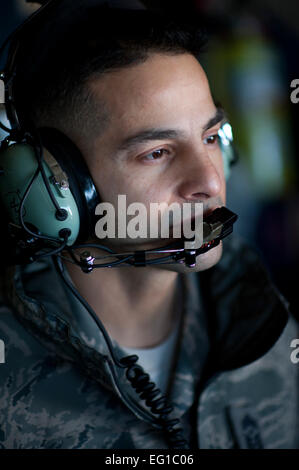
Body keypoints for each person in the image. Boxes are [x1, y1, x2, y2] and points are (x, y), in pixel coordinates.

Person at [0, 0, 298, 450]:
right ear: (56, 187)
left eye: (212, 138)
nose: (211, 181)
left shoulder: (267, 327)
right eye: (157, 152)